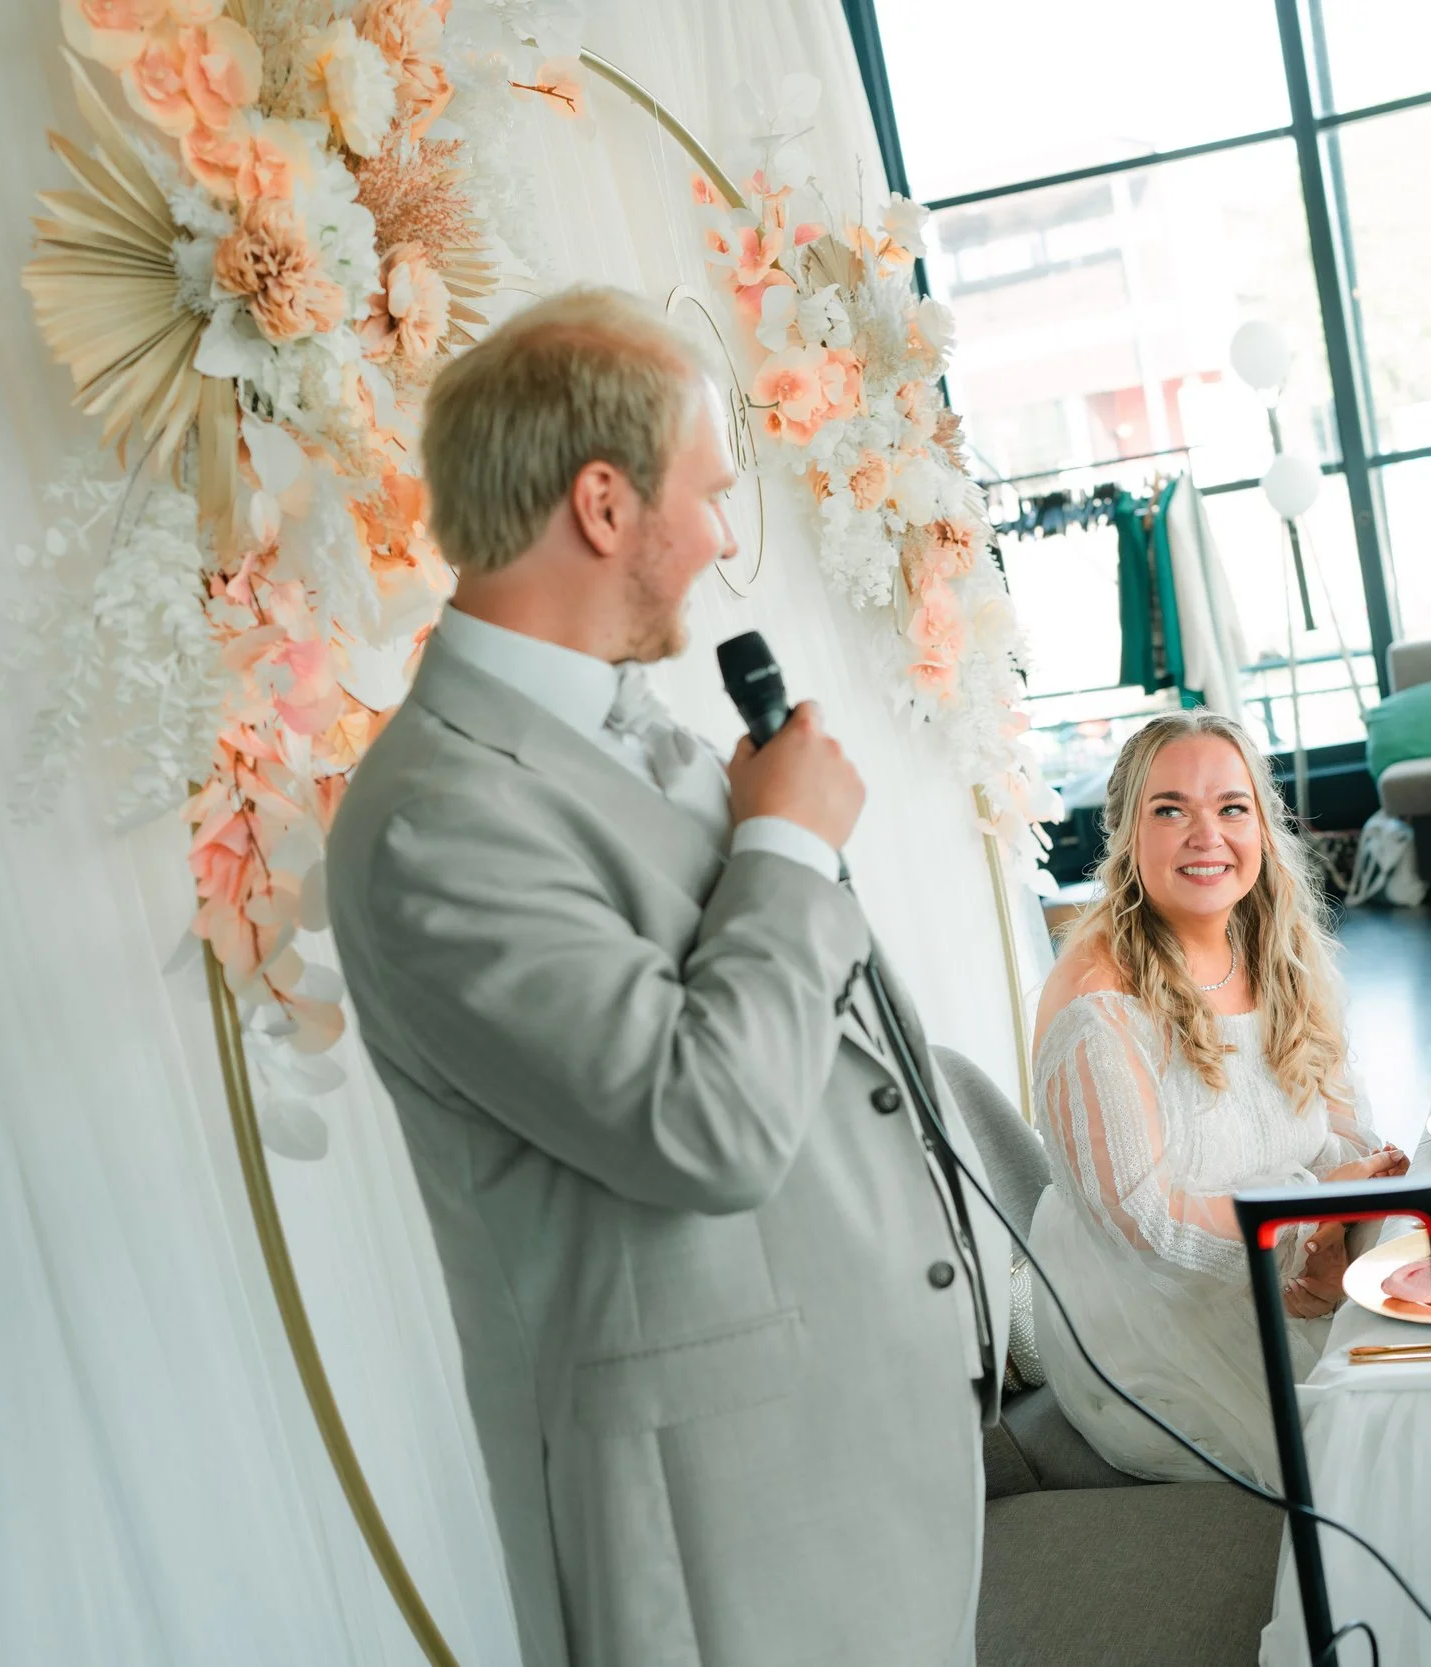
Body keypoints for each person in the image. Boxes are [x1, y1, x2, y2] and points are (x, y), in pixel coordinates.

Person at [325, 289, 1006, 1667]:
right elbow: (700, 1119)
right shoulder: (435, 818)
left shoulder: (639, 730)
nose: (720, 535)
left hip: (842, 1461)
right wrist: (786, 841)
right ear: (602, 503)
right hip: (708, 1522)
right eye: (704, 491)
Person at [1027, 711, 1406, 1486]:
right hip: (1155, 1325)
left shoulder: (1276, 946)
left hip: (1292, 1261)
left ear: (1262, 826)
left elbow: (1336, 1120)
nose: (1208, 834)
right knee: (1390, 1438)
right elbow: (1147, 1221)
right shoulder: (1098, 999)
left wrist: (1351, 1213)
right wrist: (1304, 1231)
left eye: (1231, 807)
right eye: (1171, 809)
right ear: (1128, 834)